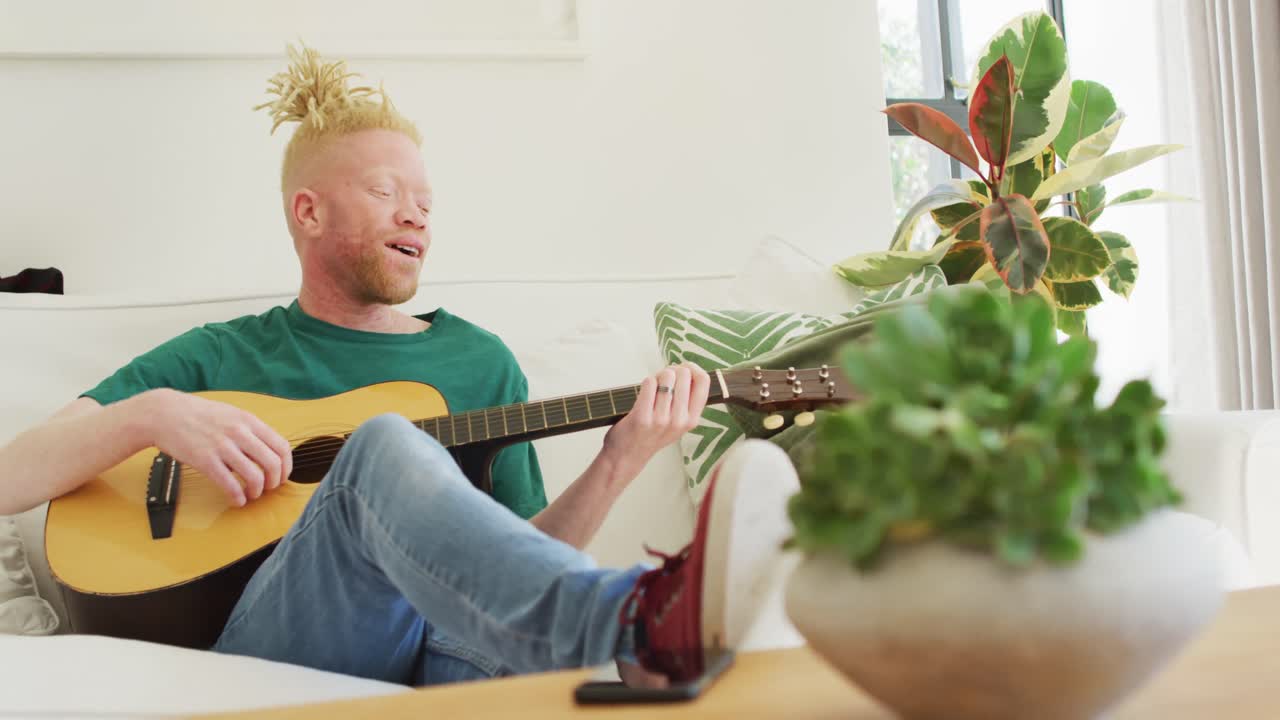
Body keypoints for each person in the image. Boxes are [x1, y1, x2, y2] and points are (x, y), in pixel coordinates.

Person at [0, 44, 794, 688]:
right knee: (384, 442)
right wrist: (153, 414)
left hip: (455, 661)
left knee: (490, 615)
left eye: (426, 201)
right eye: (386, 191)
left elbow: (517, 568)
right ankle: (638, 622)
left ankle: (653, 640)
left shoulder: (478, 360)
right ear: (309, 211)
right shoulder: (219, 355)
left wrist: (618, 461)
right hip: (290, 648)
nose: (416, 213)